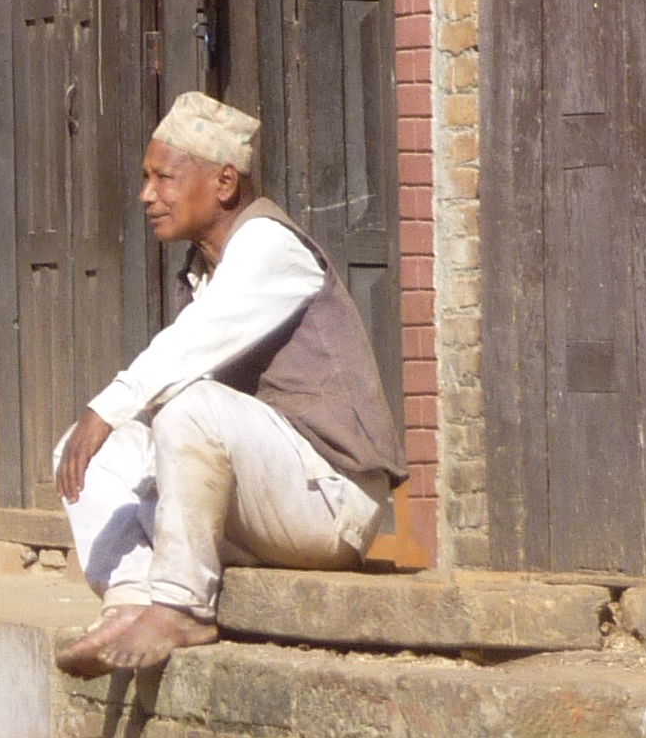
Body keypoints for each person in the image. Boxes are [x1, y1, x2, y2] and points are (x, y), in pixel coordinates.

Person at [53, 91, 406, 679]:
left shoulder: (271, 247)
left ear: (222, 182)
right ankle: (132, 598)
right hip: (271, 500)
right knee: (84, 450)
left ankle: (183, 607)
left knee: (185, 404)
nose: (147, 195)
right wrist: (96, 425)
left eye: (163, 177)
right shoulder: (202, 271)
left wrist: (108, 406)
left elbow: (192, 344)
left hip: (331, 503)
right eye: (145, 178)